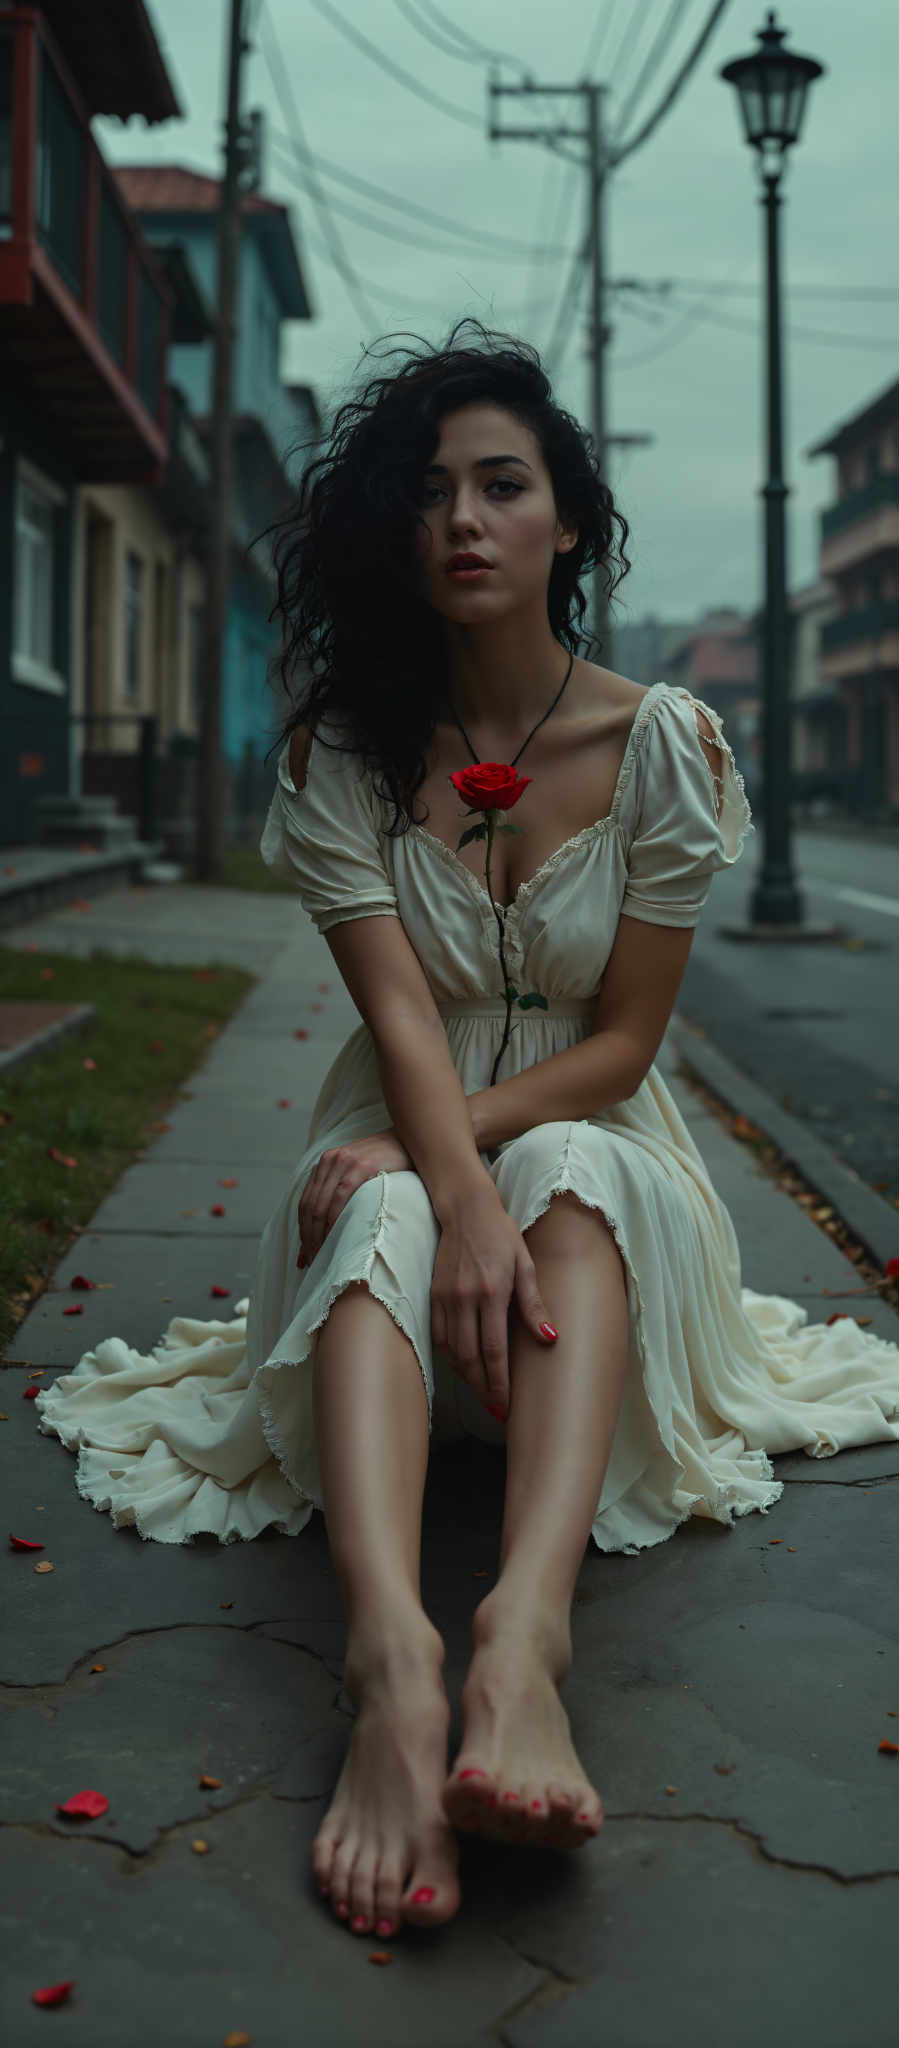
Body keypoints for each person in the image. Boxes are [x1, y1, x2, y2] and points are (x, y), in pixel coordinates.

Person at [36, 320, 899, 1951]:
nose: (463, 520)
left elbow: (631, 1042)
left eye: (504, 486)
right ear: (393, 530)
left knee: (572, 1167)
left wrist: (485, 1177)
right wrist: (443, 1185)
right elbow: (402, 1022)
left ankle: (522, 1642)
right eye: (428, 493)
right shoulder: (341, 760)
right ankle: (391, 1663)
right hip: (399, 1122)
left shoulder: (664, 747)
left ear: (568, 521)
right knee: (368, 1209)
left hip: (596, 1145)